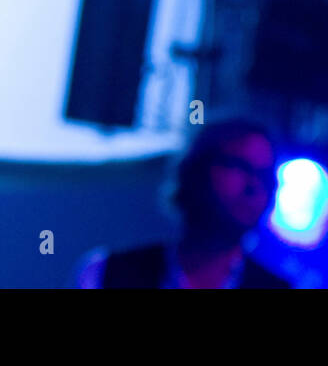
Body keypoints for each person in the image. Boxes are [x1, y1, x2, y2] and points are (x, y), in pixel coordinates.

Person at [74, 118, 292, 288]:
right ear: (196, 171)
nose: (253, 185)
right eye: (240, 166)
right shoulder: (107, 273)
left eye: (263, 175)